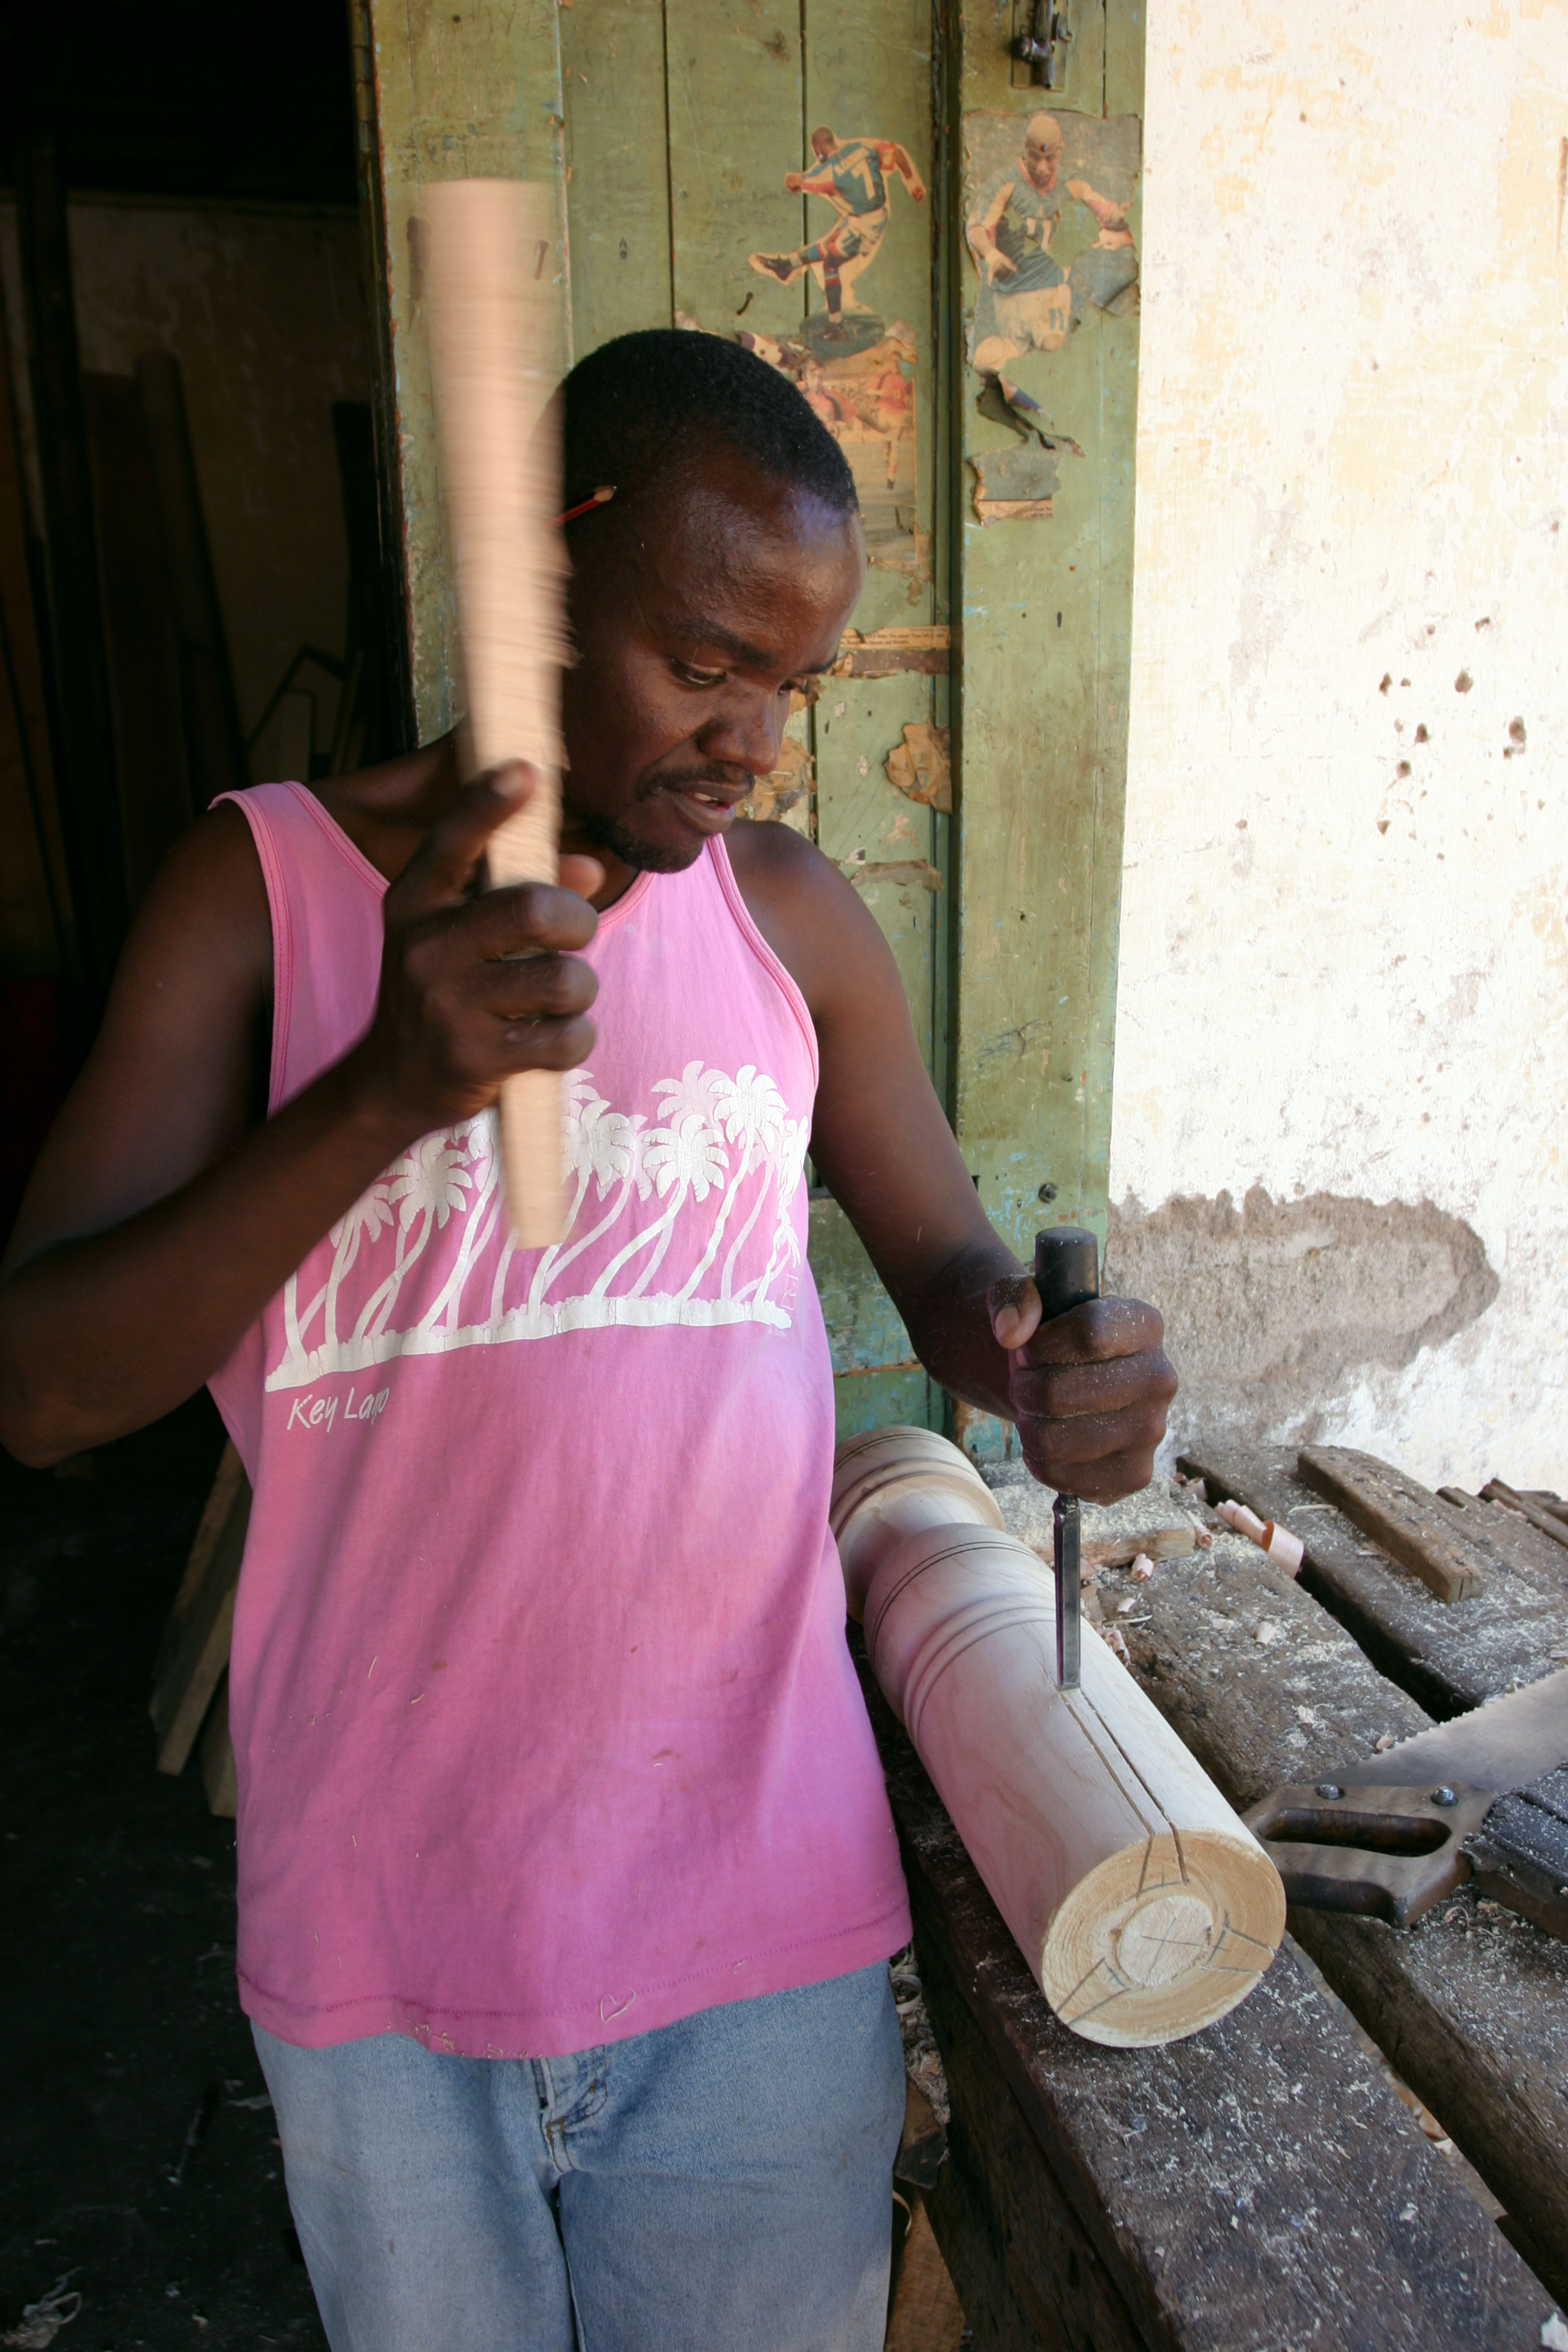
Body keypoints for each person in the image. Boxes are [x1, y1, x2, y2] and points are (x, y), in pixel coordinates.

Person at [0, 330, 1174, 2350]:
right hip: (385, 1938)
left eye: (790, 686)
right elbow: (44, 1393)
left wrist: (1054, 1359)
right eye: (709, 661)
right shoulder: (257, 893)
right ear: (537, 585)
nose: (754, 742)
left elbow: (957, 1283)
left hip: (759, 1924)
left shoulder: (790, 922)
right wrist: (379, 1091)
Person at [967, 112, 1133, 371]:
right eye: (1035, 157)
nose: (1042, 167)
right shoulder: (1006, 183)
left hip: (1051, 296)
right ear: (1025, 149)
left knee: (1051, 351)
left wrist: (1122, 217)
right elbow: (976, 228)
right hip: (1010, 301)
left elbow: (1108, 212)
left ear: (1060, 152)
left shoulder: (1072, 185)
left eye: (1050, 158)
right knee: (988, 363)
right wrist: (991, 254)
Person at [750, 127, 925, 336]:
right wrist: (912, 181)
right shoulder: (861, 147)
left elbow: (794, 184)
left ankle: (836, 326)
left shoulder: (827, 172)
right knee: (828, 246)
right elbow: (897, 152)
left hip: (865, 224)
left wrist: (796, 176)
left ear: (818, 147)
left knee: (831, 264)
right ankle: (788, 265)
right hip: (869, 216)